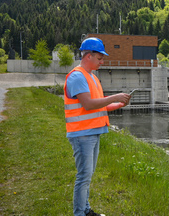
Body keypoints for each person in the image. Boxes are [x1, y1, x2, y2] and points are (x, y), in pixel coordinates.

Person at [64, 37, 131, 216]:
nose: (102, 61)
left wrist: (119, 104)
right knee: (84, 176)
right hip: (82, 134)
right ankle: (80, 213)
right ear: (89, 56)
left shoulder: (91, 77)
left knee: (88, 175)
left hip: (93, 132)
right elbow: (88, 104)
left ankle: (86, 210)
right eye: (100, 58)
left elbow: (99, 105)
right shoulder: (78, 76)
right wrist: (115, 97)